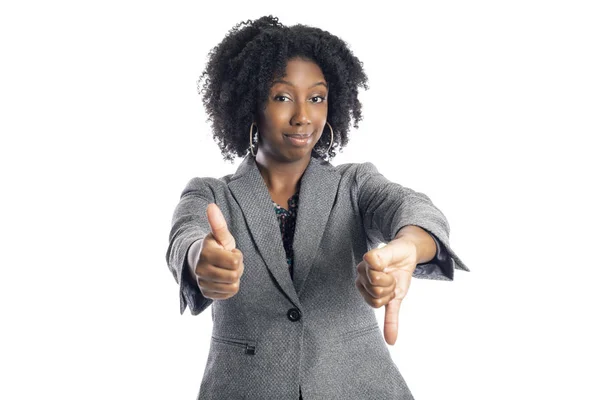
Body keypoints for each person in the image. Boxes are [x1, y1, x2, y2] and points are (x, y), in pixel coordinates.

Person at [165, 15, 470, 400]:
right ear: (250, 104)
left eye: (316, 97)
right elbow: (184, 237)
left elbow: (411, 207)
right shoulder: (211, 194)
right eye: (282, 97)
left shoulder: (355, 184)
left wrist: (409, 247)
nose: (303, 116)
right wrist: (199, 258)